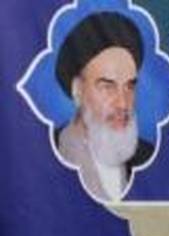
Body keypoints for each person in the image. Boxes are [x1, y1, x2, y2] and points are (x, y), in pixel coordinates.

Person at [53, 11, 154, 202]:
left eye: (129, 86)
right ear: (77, 89)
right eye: (108, 87)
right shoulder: (46, 153)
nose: (123, 103)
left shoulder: (150, 158)